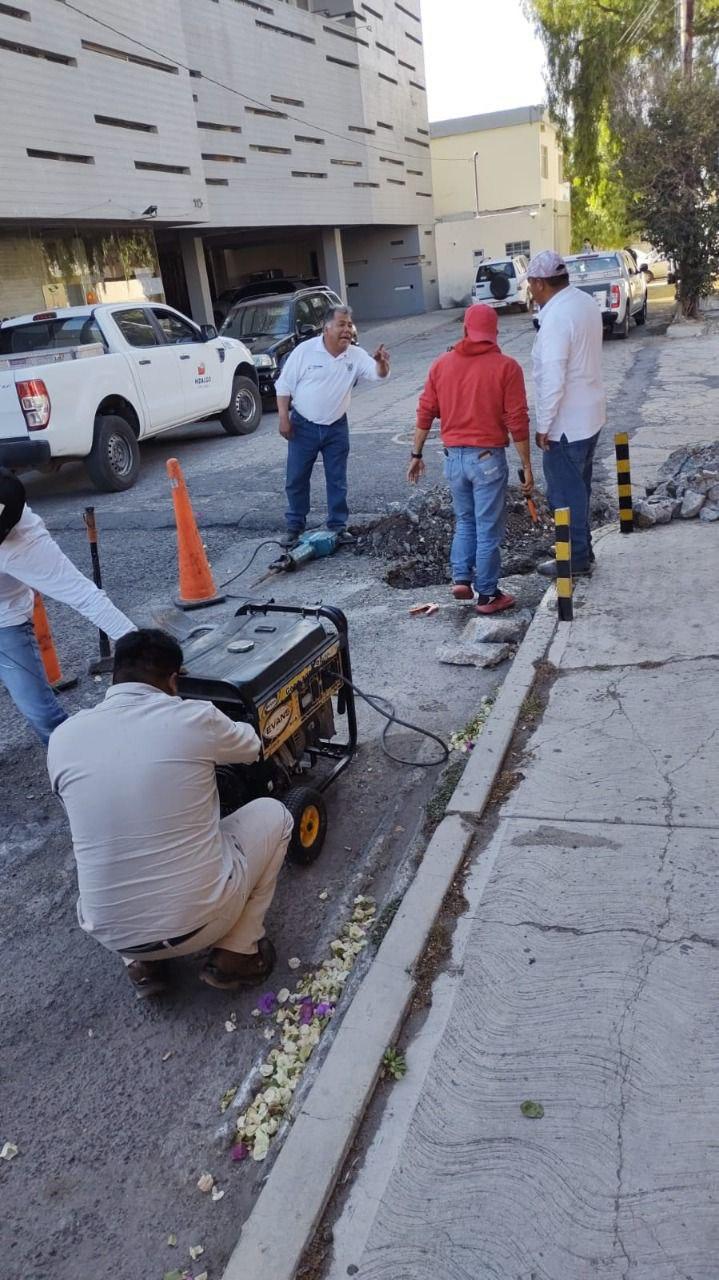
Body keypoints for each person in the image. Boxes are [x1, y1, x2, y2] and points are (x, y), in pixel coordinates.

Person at [48, 628, 293, 999]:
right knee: (275, 815)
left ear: (114, 676)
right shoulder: (194, 718)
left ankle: (143, 965)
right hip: (201, 922)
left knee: (111, 842)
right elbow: (251, 746)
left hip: (110, 931)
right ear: (174, 679)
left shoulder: (63, 738)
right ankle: (237, 953)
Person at [407, 304, 533, 614]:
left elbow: (425, 411)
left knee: (465, 521)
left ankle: (462, 577)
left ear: (465, 329)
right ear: (494, 333)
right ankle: (488, 595)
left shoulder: (441, 365)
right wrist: (527, 465)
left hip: (453, 459)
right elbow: (517, 420)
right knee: (488, 527)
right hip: (487, 458)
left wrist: (416, 454)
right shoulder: (507, 367)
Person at [0, 468, 134, 744]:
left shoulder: (23, 538)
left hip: (5, 620)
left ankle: (83, 770)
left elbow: (82, 594)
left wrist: (144, 649)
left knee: (42, 715)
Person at [275, 305, 390, 549]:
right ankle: (295, 526)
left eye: (350, 325)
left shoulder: (355, 355)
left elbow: (378, 375)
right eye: (342, 324)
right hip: (302, 425)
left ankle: (338, 526)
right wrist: (284, 418)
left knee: (337, 479)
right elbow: (283, 385)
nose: (347, 330)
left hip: (336, 427)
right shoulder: (305, 351)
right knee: (296, 478)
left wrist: (381, 363)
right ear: (327, 328)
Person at [527, 250, 606, 576]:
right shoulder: (584, 303)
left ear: (540, 283)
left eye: (531, 284)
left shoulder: (557, 317)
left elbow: (554, 376)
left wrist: (543, 425)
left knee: (564, 496)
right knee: (580, 490)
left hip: (566, 425)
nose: (530, 290)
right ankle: (582, 551)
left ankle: (573, 559)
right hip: (590, 416)